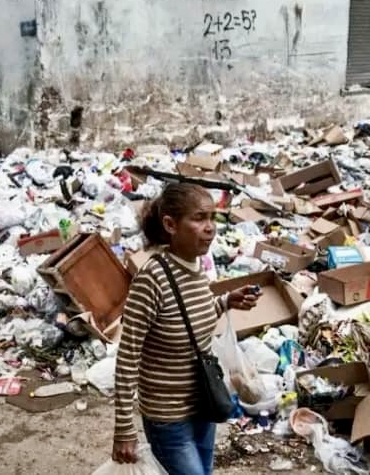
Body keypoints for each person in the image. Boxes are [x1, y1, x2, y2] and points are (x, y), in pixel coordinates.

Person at [111, 182, 260, 475]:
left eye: (213, 217)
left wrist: (227, 301)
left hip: (202, 404)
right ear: (170, 224)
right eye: (199, 218)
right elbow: (127, 357)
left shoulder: (196, 267)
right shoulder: (151, 279)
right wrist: (124, 429)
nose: (210, 227)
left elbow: (189, 319)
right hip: (168, 417)